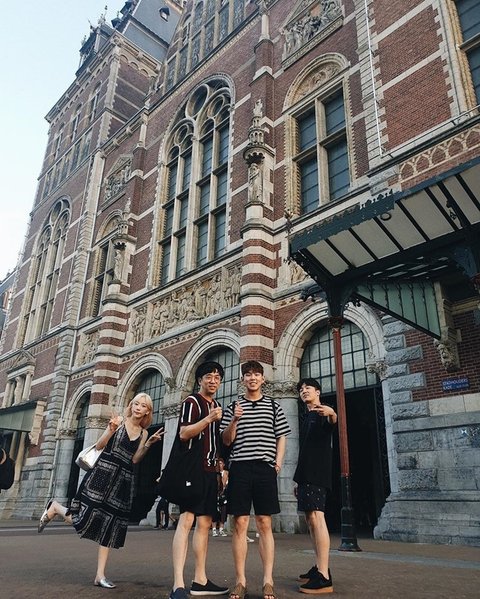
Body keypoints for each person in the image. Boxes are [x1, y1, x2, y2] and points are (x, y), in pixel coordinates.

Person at [38, 392, 164, 588]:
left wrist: (147, 445)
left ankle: (100, 575)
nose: (138, 408)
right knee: (84, 518)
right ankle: (56, 508)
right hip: (102, 473)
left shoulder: (144, 433)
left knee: (110, 525)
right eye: (136, 404)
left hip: (123, 480)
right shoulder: (119, 422)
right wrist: (110, 429)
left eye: (143, 406)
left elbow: (135, 459)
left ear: (148, 411)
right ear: (131, 405)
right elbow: (99, 445)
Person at [220, 360, 291, 599]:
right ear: (242, 380)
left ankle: (268, 580)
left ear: (263, 379)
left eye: (256, 374)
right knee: (240, 523)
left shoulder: (273, 406)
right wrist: (234, 420)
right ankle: (240, 580)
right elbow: (226, 441)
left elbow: (282, 436)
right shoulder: (233, 407)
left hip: (264, 468)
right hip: (239, 468)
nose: (252, 378)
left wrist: (277, 464)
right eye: (248, 374)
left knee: (264, 523)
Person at [169, 361, 229, 599]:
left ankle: (200, 580)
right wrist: (208, 419)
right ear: (199, 380)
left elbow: (218, 441)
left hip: (210, 471)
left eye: (217, 377)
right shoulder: (192, 402)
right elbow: (184, 433)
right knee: (186, 521)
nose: (213, 381)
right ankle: (178, 584)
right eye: (208, 377)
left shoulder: (217, 405)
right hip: (193, 470)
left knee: (204, 524)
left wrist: (222, 468)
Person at [294, 378, 337, 594]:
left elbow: (332, 421)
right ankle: (320, 566)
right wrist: (298, 479)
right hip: (306, 475)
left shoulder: (321, 412)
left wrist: (331, 413)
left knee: (318, 519)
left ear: (318, 392)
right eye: (301, 389)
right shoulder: (308, 416)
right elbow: (305, 450)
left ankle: (324, 577)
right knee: (311, 520)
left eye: (308, 388)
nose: (304, 391)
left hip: (317, 474)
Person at [213, 457, 228, 537]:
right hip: (215, 494)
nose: (219, 465)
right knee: (215, 511)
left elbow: (225, 484)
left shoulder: (226, 473)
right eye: (218, 463)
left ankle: (221, 529)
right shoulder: (215, 474)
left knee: (223, 511)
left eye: (221, 463)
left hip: (224, 494)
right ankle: (214, 529)